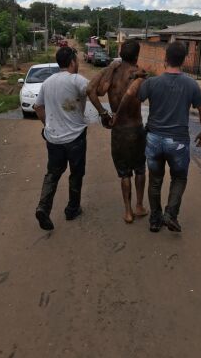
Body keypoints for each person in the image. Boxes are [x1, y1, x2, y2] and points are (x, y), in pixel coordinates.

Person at [115, 41, 201, 233]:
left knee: (155, 180)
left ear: (166, 59)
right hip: (178, 142)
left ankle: (155, 220)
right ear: (183, 60)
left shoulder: (151, 82)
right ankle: (171, 214)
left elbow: (133, 94)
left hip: (154, 140)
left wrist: (136, 76)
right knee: (179, 178)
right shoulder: (191, 84)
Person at [87, 40, 147, 224]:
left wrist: (103, 113)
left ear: (120, 54)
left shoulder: (111, 74)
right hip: (136, 128)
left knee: (124, 173)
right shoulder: (138, 75)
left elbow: (91, 90)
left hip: (118, 130)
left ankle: (127, 212)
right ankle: (138, 205)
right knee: (139, 169)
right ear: (137, 55)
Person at [34, 47, 89, 230]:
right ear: (73, 61)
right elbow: (94, 89)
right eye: (77, 60)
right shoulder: (76, 79)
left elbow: (38, 107)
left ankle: (43, 207)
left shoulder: (47, 82)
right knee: (76, 173)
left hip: (54, 139)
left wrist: (47, 126)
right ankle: (72, 208)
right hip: (75, 138)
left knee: (53, 173)